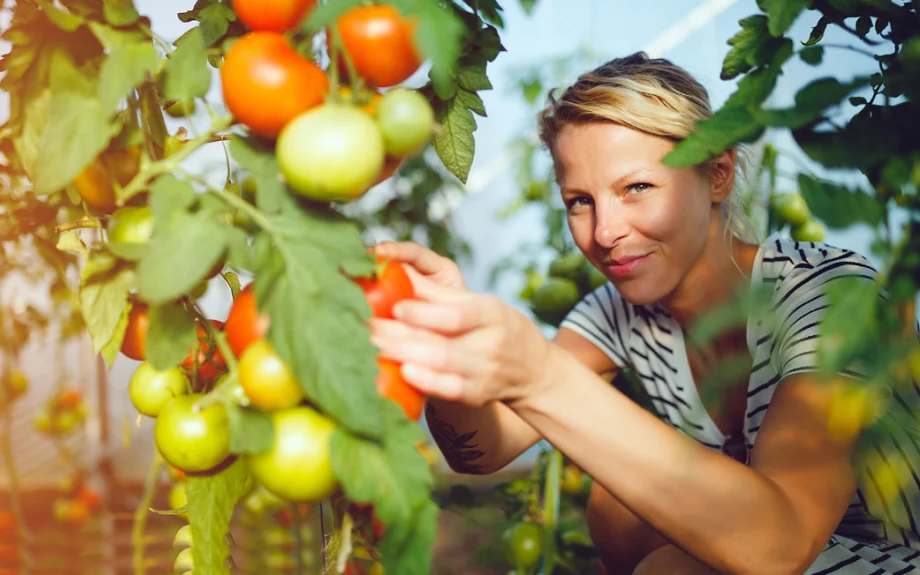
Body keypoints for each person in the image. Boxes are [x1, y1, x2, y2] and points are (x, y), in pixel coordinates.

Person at [370, 53, 920, 575]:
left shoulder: (825, 292)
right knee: (617, 508)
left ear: (719, 174)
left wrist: (540, 374)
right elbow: (483, 450)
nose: (605, 232)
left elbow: (781, 542)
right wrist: (444, 336)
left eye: (637, 188)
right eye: (579, 201)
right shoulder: (617, 315)